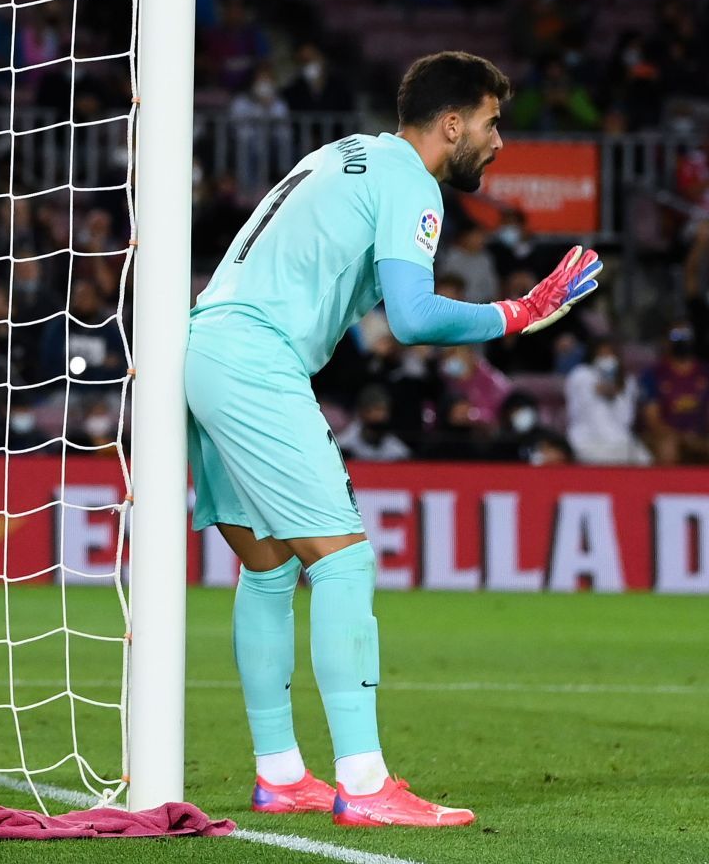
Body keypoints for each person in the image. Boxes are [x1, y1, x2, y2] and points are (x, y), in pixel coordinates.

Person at [186, 51, 602, 828]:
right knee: (344, 562)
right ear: (452, 124)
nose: (499, 141)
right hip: (254, 358)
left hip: (206, 344)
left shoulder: (346, 154)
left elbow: (362, 289)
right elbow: (412, 317)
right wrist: (513, 312)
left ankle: (280, 773)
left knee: (271, 569)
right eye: (492, 122)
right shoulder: (412, 180)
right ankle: (366, 782)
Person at [563, 339, 649, 465]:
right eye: (602, 354)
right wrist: (599, 387)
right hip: (586, 441)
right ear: (593, 356)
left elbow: (626, 419)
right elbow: (581, 406)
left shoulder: (627, 381)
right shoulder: (581, 374)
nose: (606, 359)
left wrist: (618, 392)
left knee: (645, 460)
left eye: (610, 354)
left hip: (620, 442)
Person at [641, 322, 709, 464]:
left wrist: (697, 437)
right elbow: (653, 419)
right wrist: (680, 437)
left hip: (699, 435)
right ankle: (667, 486)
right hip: (669, 435)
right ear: (666, 341)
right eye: (676, 336)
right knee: (668, 446)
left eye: (686, 335)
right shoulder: (655, 374)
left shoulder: (704, 372)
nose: (682, 341)